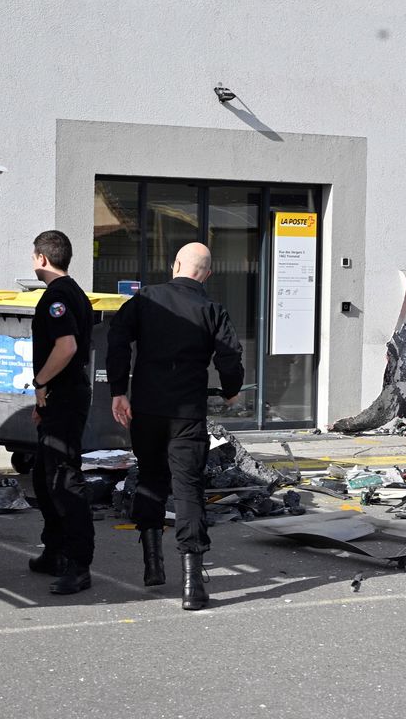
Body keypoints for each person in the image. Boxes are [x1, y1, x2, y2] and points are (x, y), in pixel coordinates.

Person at [106, 242, 244, 610]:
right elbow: (230, 356)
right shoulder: (213, 309)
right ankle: (192, 583)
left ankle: (152, 563)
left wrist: (119, 390)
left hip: (147, 409)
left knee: (150, 478)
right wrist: (231, 392)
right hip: (187, 412)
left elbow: (117, 338)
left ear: (175, 266)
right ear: (207, 274)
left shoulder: (145, 300)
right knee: (188, 488)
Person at [28, 230, 95, 595]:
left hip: (65, 395)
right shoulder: (74, 292)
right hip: (61, 397)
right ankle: (54, 550)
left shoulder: (56, 297)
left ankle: (78, 563)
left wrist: (40, 382)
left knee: (64, 480)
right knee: (43, 475)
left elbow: (66, 347)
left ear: (41, 257)